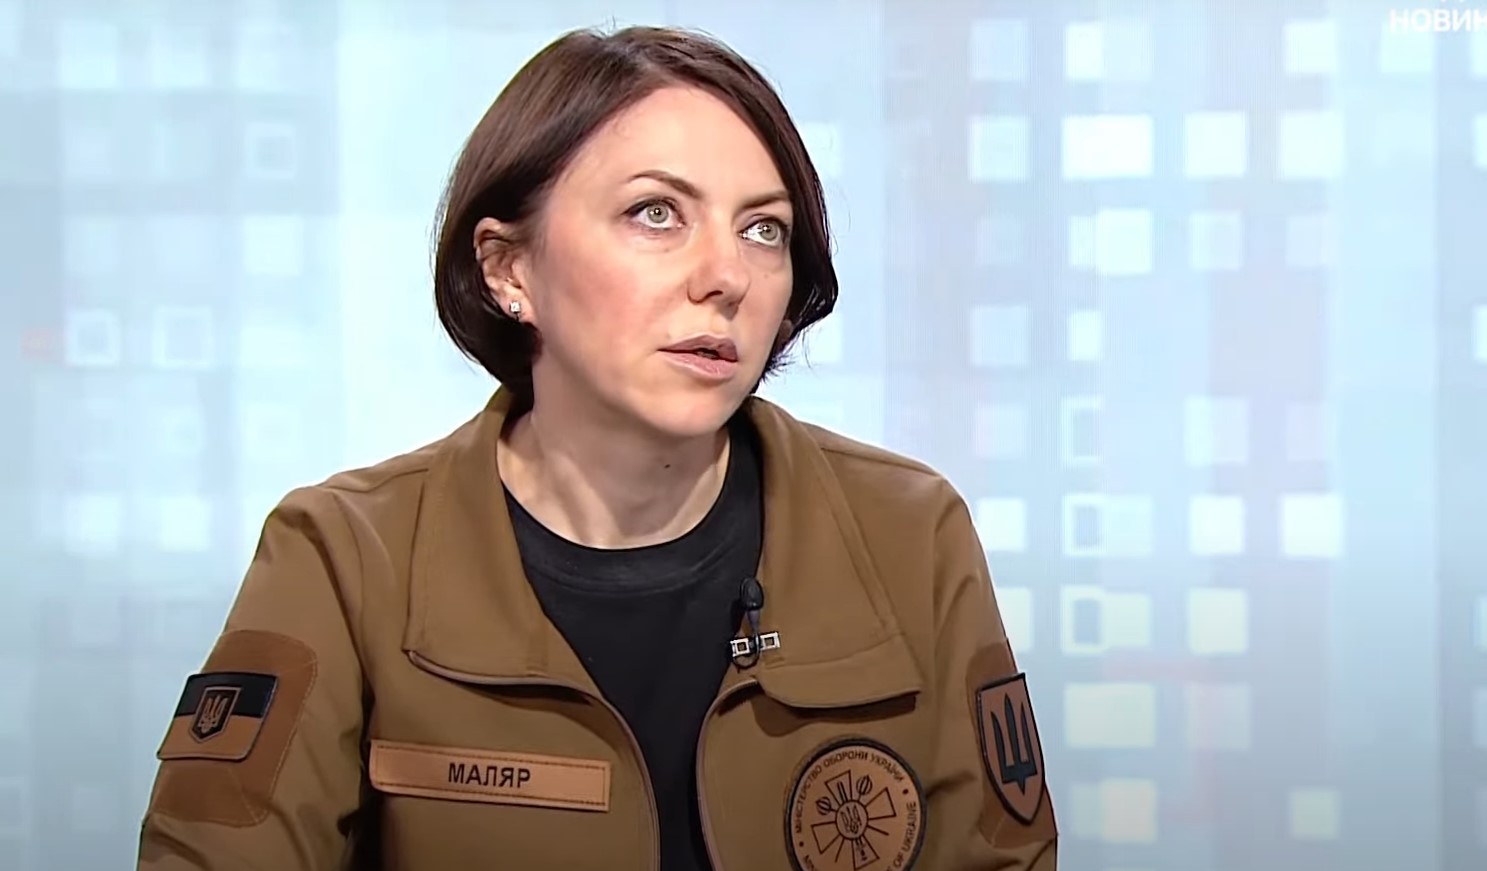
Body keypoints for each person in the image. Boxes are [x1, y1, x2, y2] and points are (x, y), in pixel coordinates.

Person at [135, 24, 1057, 871]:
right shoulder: (344, 556)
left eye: (762, 229)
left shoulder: (910, 532)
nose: (726, 275)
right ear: (509, 269)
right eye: (656, 213)